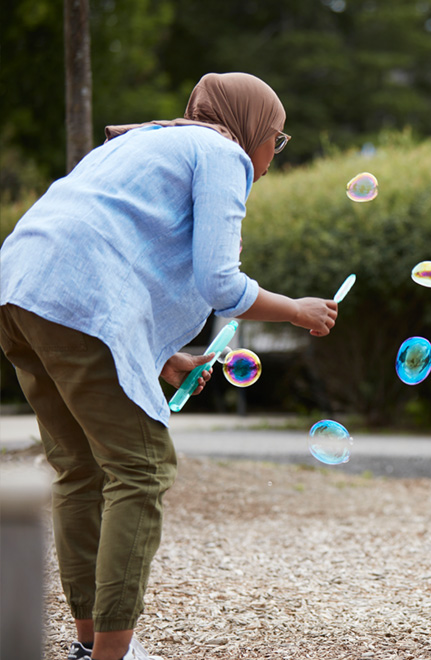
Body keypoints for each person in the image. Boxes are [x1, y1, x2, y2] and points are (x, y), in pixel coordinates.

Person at [0, 72, 337, 660]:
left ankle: (90, 644)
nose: (271, 154)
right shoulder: (223, 151)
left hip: (20, 289)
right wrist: (296, 311)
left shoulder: (145, 139)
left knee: (78, 469)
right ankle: (112, 654)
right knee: (142, 468)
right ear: (250, 125)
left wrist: (164, 356)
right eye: (275, 139)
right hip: (75, 297)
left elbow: (119, 249)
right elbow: (218, 281)